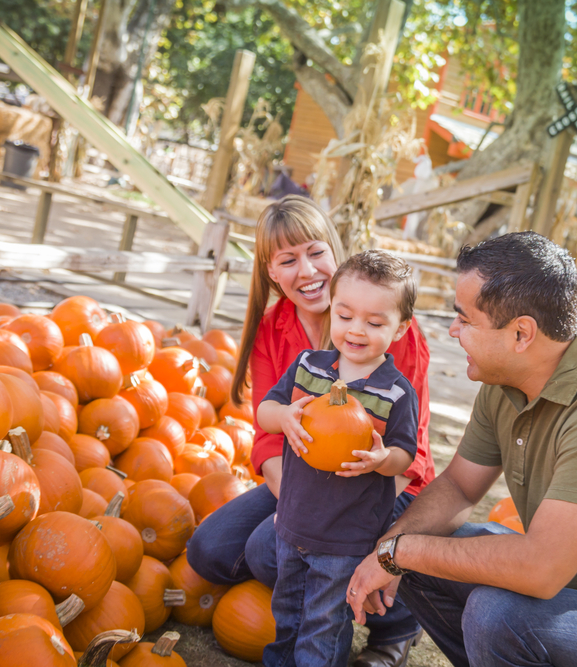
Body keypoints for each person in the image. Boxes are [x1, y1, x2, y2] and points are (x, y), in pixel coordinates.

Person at [346, 232, 577, 667]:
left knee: (493, 611)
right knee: (402, 524)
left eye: (464, 320)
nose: (453, 330)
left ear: (522, 333)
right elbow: (461, 488)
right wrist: (390, 547)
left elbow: (539, 571)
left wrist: (399, 555)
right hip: (565, 592)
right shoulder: (507, 374)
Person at [186, 196, 434, 667]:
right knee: (212, 549)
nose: (307, 270)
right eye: (288, 259)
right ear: (271, 272)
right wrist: (294, 508)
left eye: (315, 252)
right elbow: (267, 430)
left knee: (267, 549)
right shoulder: (276, 331)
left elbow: (411, 454)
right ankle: (305, 589)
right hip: (300, 477)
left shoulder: (389, 328)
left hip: (378, 483)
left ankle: (393, 623)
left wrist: (361, 529)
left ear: (334, 252)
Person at [258, 250, 420, 667]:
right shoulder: (308, 367)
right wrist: (284, 416)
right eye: (345, 316)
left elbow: (405, 454)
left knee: (323, 626)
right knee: (287, 617)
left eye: (375, 322)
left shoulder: (396, 392)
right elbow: (264, 411)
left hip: (345, 537)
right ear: (332, 309)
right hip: (292, 522)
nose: (356, 330)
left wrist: (382, 458)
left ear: (401, 328)